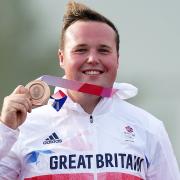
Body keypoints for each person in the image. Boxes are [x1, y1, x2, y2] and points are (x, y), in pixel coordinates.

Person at [0, 1, 179, 179]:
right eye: (81, 50)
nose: (92, 58)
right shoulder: (23, 128)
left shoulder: (148, 128)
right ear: (61, 58)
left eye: (103, 50)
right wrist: (4, 130)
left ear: (117, 58)